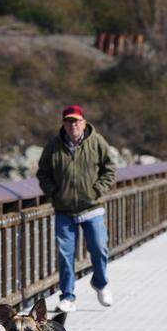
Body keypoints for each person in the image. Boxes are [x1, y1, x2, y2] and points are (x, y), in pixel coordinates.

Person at [37, 104, 117, 313]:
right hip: (64, 209)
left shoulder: (97, 142)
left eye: (76, 121)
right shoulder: (53, 146)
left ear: (83, 122)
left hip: (92, 207)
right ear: (63, 124)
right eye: (68, 121)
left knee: (99, 248)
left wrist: (97, 189)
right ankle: (68, 296)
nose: (73, 125)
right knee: (65, 255)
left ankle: (100, 283)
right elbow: (42, 173)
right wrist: (52, 191)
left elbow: (110, 169)